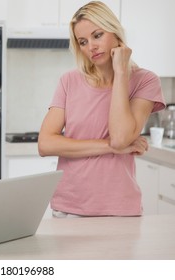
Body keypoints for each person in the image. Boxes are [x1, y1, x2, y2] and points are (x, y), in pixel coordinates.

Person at [38, 1, 166, 218]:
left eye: (98, 35)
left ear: (115, 33)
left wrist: (121, 72)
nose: (91, 47)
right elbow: (45, 144)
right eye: (83, 41)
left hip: (120, 209)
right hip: (68, 208)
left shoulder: (145, 81)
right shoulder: (69, 81)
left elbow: (120, 137)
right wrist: (111, 148)